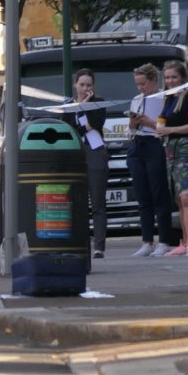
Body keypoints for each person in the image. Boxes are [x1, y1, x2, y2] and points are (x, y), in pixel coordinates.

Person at [156, 60, 188, 256]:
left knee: (187, 196)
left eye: (174, 77)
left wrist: (171, 129)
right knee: (178, 198)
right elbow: (162, 125)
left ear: (183, 78)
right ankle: (183, 242)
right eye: (167, 78)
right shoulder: (168, 100)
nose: (170, 81)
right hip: (171, 150)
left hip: (187, 149)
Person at [127, 63, 173, 257]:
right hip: (137, 143)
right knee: (142, 194)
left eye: (143, 83)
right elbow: (130, 129)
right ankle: (147, 241)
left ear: (154, 80)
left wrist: (149, 122)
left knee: (158, 193)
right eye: (138, 84)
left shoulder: (163, 98)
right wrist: (133, 123)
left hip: (155, 143)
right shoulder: (136, 100)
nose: (141, 88)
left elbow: (163, 127)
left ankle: (164, 240)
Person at [62, 68, 109, 259]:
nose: (85, 88)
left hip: (95, 151)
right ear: (75, 85)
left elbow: (94, 124)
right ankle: (77, 243)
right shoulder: (67, 105)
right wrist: (80, 116)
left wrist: (84, 106)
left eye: (89, 85)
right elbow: (68, 128)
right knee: (74, 202)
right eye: (82, 85)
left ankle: (99, 246)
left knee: (97, 201)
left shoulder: (99, 103)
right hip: (75, 153)